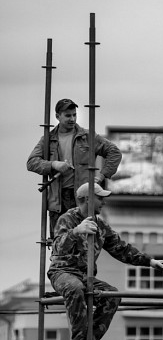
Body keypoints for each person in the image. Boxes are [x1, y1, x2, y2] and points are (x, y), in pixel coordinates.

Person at [47, 182, 163, 340]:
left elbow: (121, 249)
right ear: (87, 199)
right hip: (62, 272)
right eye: (100, 198)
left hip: (85, 276)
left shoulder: (100, 225)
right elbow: (58, 247)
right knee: (75, 288)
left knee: (112, 296)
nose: (103, 202)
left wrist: (150, 262)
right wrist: (76, 231)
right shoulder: (67, 219)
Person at [27, 98, 122, 237]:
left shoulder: (87, 136)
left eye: (74, 115)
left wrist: (101, 177)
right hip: (58, 202)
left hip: (82, 199)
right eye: (68, 115)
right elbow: (32, 162)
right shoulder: (48, 139)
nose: (72, 119)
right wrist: (54, 164)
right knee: (60, 242)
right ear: (57, 116)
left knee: (84, 242)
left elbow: (114, 152)